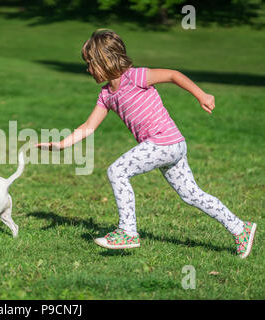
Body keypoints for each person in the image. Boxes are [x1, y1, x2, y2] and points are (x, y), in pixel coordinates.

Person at [36, 29, 256, 258]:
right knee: (191, 195)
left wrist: (202, 95)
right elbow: (89, 126)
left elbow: (173, 75)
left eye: (90, 63)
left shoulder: (136, 77)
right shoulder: (106, 95)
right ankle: (241, 229)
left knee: (117, 171)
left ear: (104, 60)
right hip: (171, 145)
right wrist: (62, 144)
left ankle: (128, 232)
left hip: (164, 142)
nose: (88, 69)